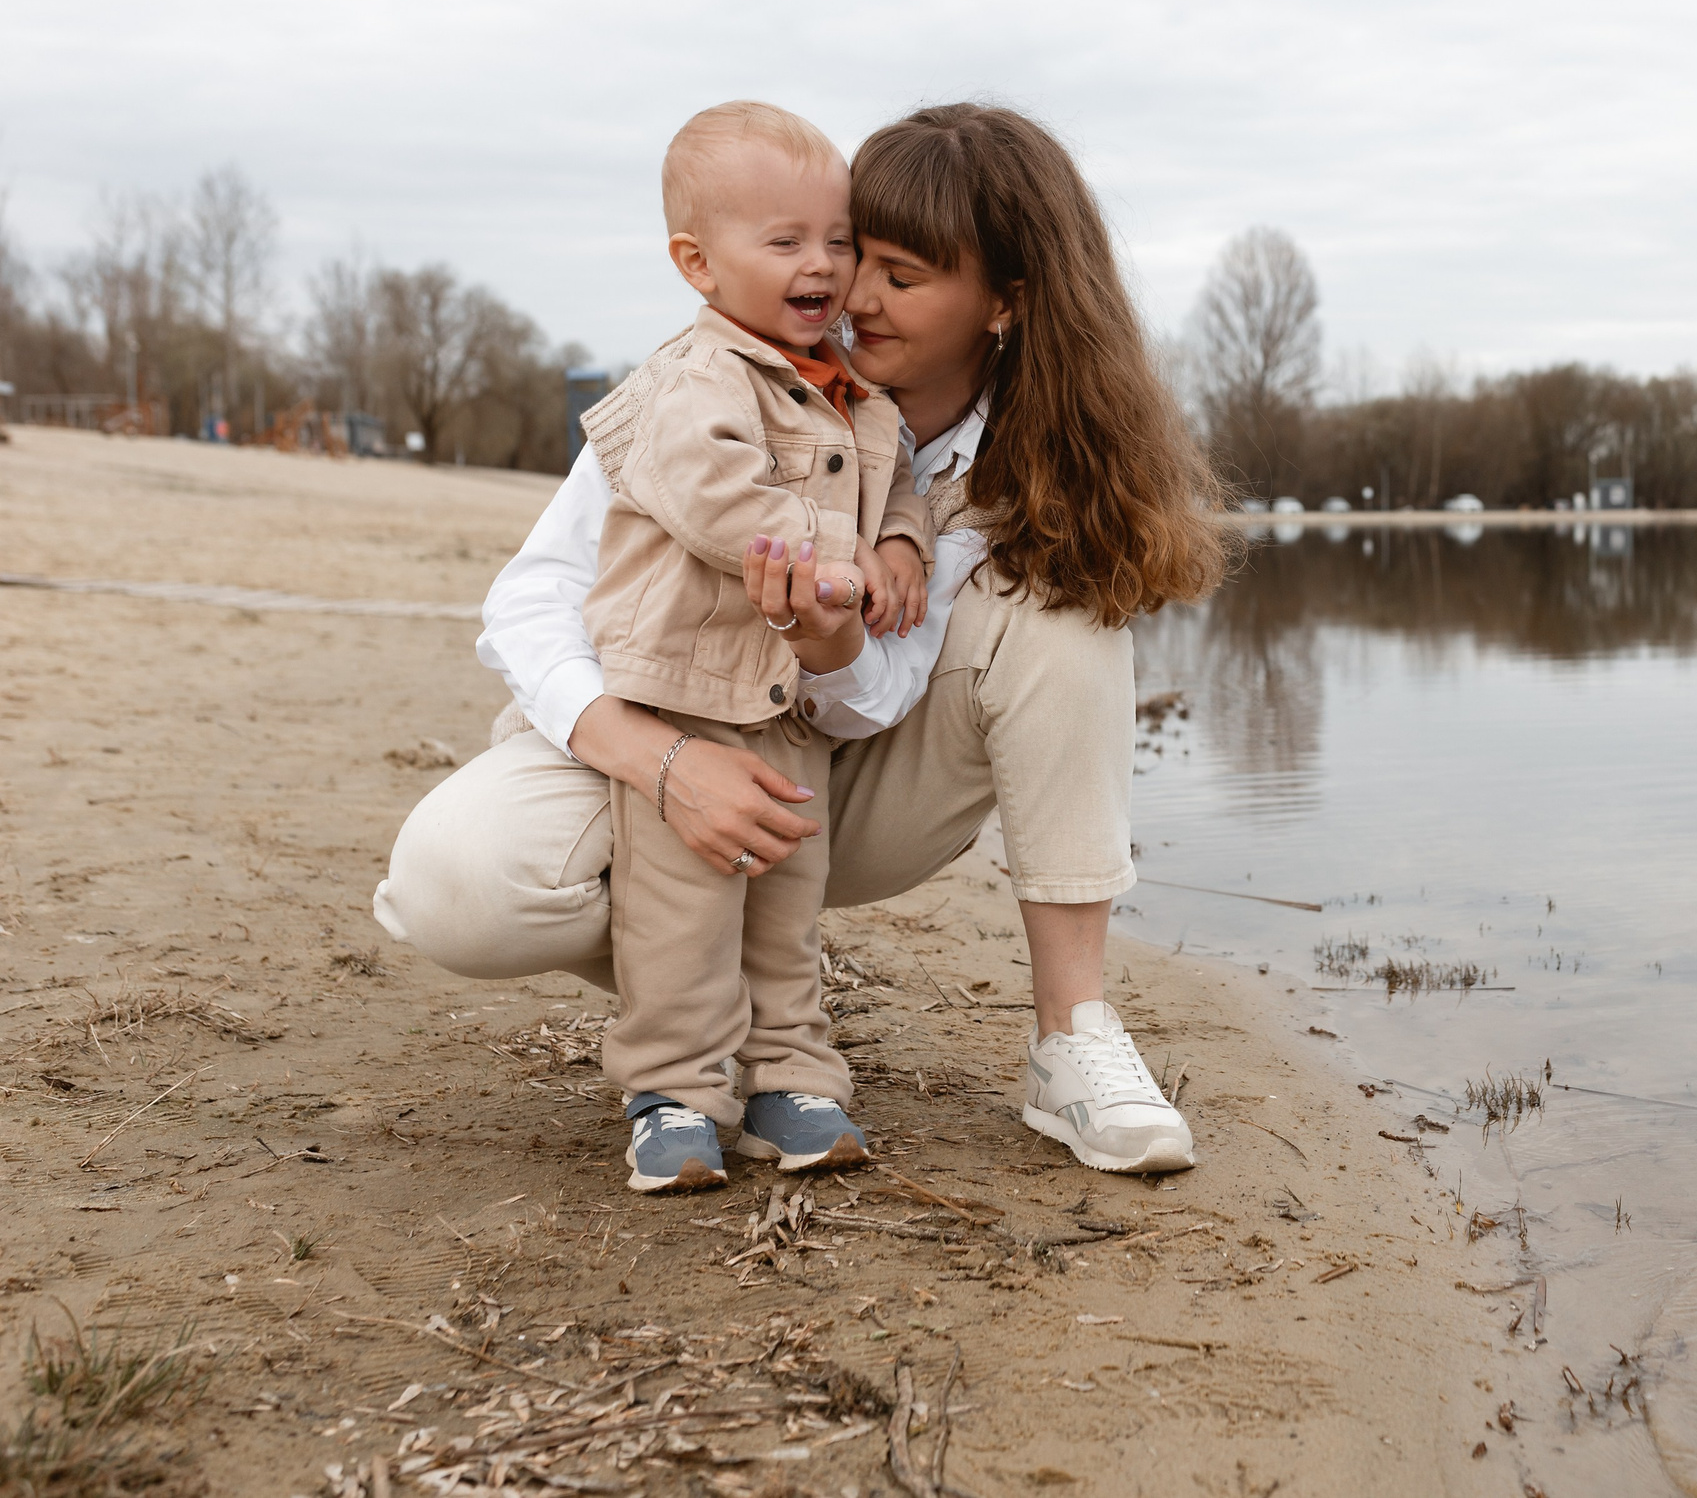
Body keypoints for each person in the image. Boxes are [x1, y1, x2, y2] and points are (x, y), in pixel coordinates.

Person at [373, 102, 1230, 1176]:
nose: (851, 292)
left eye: (900, 276)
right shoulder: (717, 376)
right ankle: (696, 1002)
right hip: (657, 732)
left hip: (842, 784)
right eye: (849, 251)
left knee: (1067, 609)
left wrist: (830, 639)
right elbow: (532, 596)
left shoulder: (1002, 469)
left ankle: (1073, 1040)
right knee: (453, 884)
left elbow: (875, 697)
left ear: (1004, 303)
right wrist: (665, 761)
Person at [571, 100, 933, 1193]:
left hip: (783, 701)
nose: (820, 266)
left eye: (837, 241)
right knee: (684, 909)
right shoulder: (698, 379)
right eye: (783, 243)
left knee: (787, 898)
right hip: (686, 692)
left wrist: (905, 542)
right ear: (698, 262)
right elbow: (714, 495)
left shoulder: (854, 393)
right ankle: (674, 1091)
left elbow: (899, 475)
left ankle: (790, 1076)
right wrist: (840, 556)